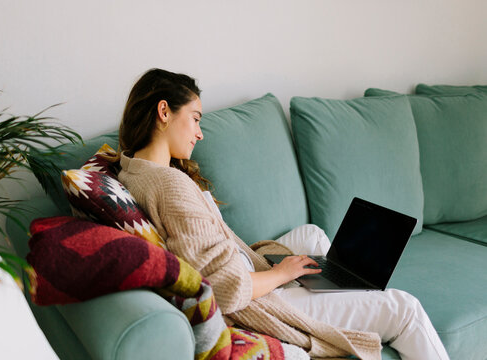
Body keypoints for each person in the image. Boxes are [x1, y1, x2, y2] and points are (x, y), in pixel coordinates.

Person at [117, 68, 450, 360]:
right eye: (195, 119)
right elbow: (225, 289)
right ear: (164, 111)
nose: (199, 133)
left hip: (245, 268)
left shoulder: (133, 169)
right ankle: (359, 301)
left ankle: (342, 287)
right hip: (255, 303)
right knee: (404, 309)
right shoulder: (171, 185)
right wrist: (282, 274)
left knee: (311, 234)